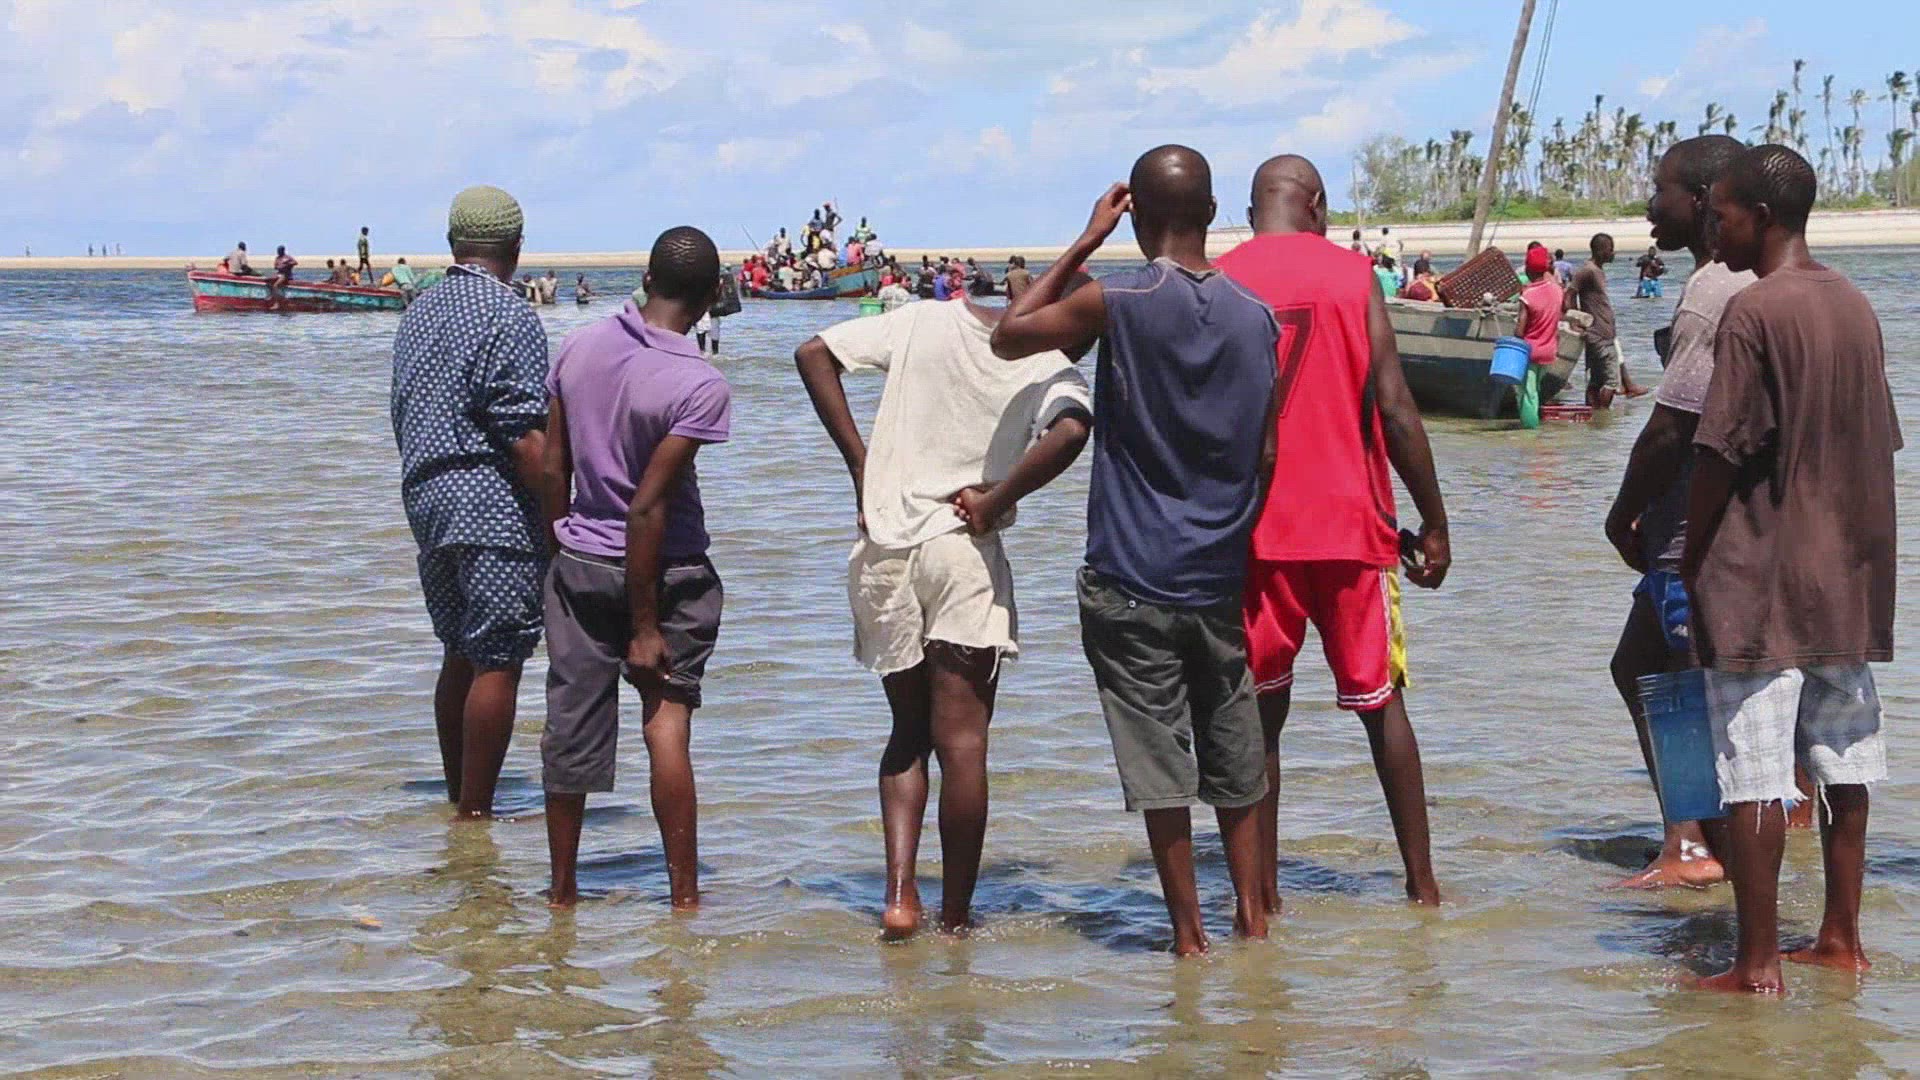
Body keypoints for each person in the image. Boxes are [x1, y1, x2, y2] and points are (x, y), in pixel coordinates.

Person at [991, 146, 1280, 956]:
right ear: (1213, 214)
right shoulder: (1257, 317)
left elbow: (1009, 336)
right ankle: (1253, 921)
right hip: (1218, 573)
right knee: (1237, 761)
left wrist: (1086, 241)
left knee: (1161, 772)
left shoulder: (1119, 297)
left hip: (1132, 574)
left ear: (1138, 219)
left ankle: (1188, 940)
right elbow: (1265, 452)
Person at [794, 265, 1092, 940]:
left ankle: (901, 898)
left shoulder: (926, 319)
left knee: (907, 732)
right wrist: (998, 498)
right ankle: (955, 919)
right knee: (962, 744)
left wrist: (862, 466)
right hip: (962, 551)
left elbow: (814, 353)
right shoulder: (1052, 368)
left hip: (885, 548)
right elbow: (1072, 433)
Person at [1682, 144, 1900, 994]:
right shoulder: (1855, 305)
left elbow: (1720, 452)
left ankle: (1757, 963)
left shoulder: (1753, 312)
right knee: (1846, 760)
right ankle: (1841, 939)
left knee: (1755, 771)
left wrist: (1692, 554)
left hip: (1763, 576)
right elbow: (1878, 439)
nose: (1715, 229)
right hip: (1848, 575)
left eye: (1724, 215)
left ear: (1763, 218)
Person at [1216, 155, 1449, 912]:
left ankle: (1261, 901)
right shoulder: (1353, 276)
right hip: (1352, 529)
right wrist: (1435, 521)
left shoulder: (1221, 279)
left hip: (1253, 538)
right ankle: (1422, 890)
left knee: (1260, 719)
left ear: (1253, 210)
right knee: (1382, 706)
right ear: (1316, 204)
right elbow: (1395, 405)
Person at [539, 226, 731, 910]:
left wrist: (559, 553)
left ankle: (562, 893)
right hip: (671, 575)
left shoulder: (577, 347)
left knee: (570, 728)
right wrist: (646, 627)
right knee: (666, 727)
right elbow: (648, 509)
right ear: (711, 298)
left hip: (581, 563)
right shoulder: (699, 383)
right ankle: (684, 900)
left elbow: (553, 467)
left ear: (646, 279)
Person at [1602, 135, 1754, 891]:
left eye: (1659, 190)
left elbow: (1673, 426)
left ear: (1698, 201)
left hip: (1691, 532)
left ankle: (1691, 843)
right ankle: (1710, 830)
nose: (1648, 206)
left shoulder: (1712, 289)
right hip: (1719, 523)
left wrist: (1621, 512)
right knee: (1642, 665)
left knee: (1675, 673)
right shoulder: (1749, 279)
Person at [389, 185, 550, 819]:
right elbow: (524, 432)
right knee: (499, 656)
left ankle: (461, 795)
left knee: (458, 647)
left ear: (453, 243)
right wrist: (561, 514)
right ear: (516, 247)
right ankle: (476, 815)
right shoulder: (509, 313)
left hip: (424, 495)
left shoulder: (418, 310)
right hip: (489, 502)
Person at [1564, 233, 1649, 406]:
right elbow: (1569, 296)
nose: (1613, 253)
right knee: (1612, 381)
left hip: (1603, 333)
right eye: (1610, 249)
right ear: (1601, 251)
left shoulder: (1597, 271)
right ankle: (1603, 413)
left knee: (1596, 380)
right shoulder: (1588, 271)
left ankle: (1593, 416)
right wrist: (1576, 321)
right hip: (1598, 335)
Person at [1516, 244, 1566, 423]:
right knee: (1535, 389)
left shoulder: (1528, 295)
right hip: (1549, 351)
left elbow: (1520, 331)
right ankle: (1535, 424)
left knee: (1527, 394)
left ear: (1528, 269)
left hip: (1530, 352)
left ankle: (1530, 431)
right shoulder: (1557, 291)